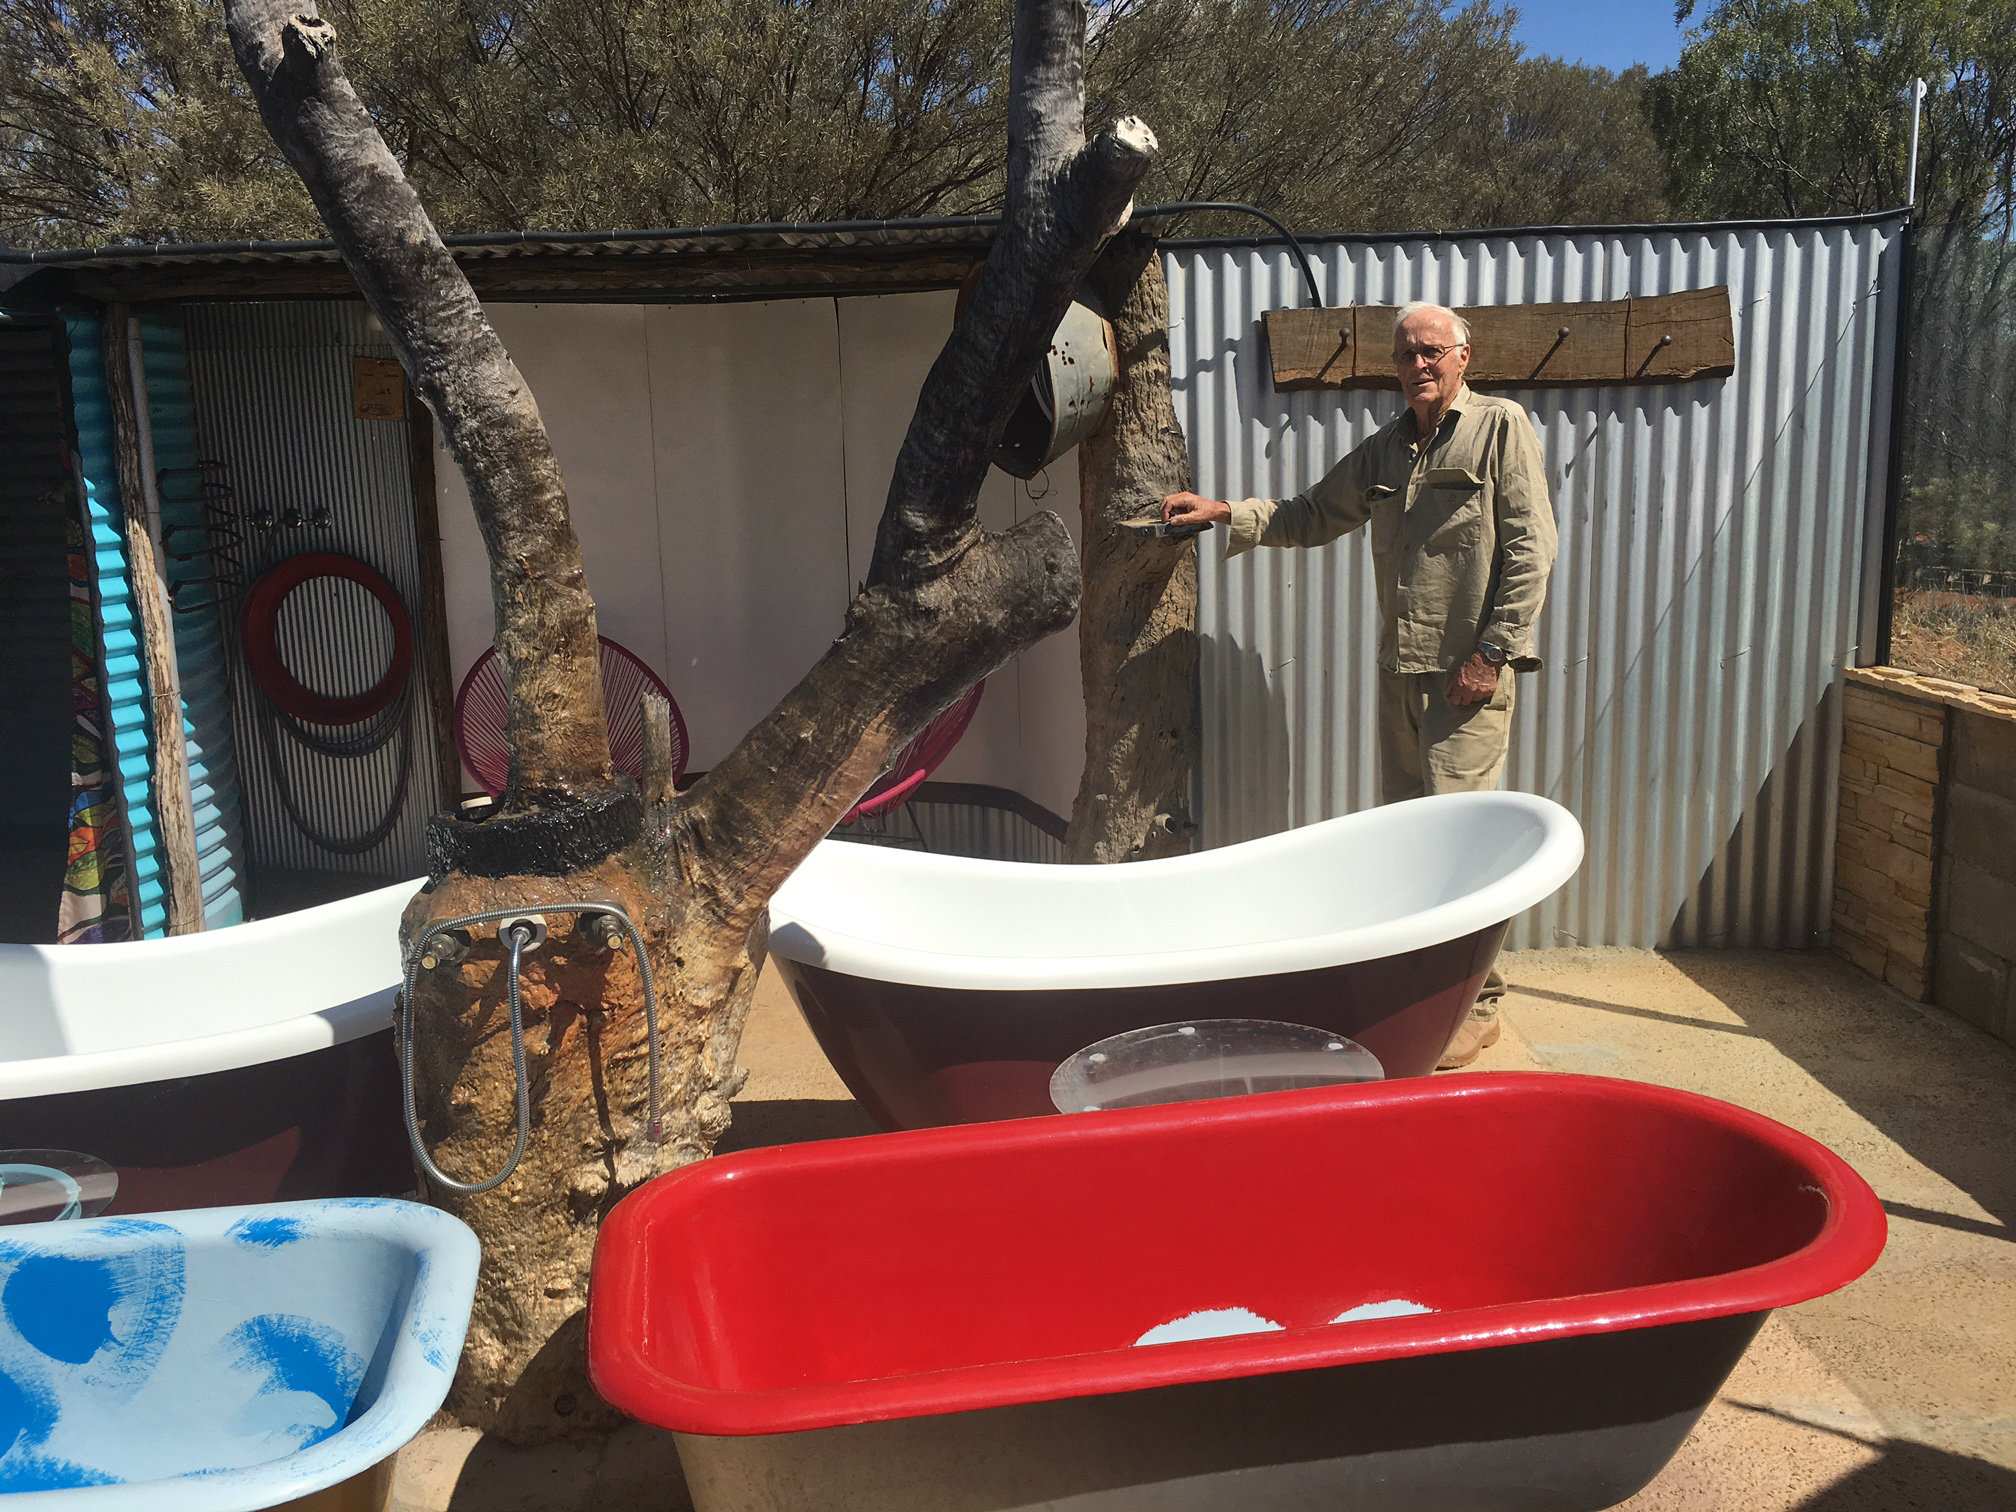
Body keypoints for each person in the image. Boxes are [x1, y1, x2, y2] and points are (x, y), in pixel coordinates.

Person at [1163, 300, 1557, 1068]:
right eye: (1407, 354)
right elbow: (1312, 514)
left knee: (1465, 848)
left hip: (1466, 684)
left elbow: (1532, 549)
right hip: (1400, 680)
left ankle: (1479, 1004)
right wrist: (1221, 512)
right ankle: (1427, 998)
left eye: (1433, 351)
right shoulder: (1385, 452)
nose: (1419, 365)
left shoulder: (1500, 428)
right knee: (1411, 846)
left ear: (1464, 356)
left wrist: (1493, 655)